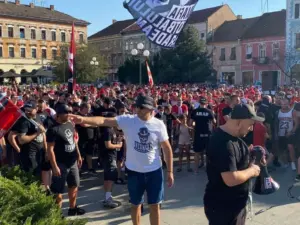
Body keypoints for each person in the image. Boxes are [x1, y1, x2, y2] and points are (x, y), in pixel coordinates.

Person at [69, 95, 174, 225]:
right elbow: (104, 121)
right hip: (134, 173)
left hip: (154, 172)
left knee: (154, 205)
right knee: (135, 205)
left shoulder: (158, 124)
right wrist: (83, 119)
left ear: (150, 109)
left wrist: (169, 171)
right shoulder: (128, 120)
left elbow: (167, 149)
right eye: (137, 106)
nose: (137, 109)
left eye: (141, 107)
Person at [204, 104, 262, 225]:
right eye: (250, 125)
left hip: (236, 204)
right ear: (240, 122)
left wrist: (250, 157)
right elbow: (231, 178)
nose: (251, 129)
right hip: (224, 207)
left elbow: (237, 162)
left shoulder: (235, 138)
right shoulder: (222, 142)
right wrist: (253, 170)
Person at [47, 104, 85, 216]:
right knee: (58, 190)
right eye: (66, 112)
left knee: (74, 185)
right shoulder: (53, 129)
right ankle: (57, 214)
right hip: (60, 163)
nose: (69, 114)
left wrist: (78, 155)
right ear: (59, 114)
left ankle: (72, 208)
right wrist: (54, 166)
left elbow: (74, 141)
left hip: (72, 161)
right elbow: (50, 149)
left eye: (70, 111)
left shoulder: (70, 124)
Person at [190, 97, 215, 174]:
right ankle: (207, 169)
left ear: (199, 103)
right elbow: (214, 122)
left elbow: (190, 123)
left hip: (198, 133)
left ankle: (196, 170)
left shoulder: (195, 111)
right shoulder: (209, 111)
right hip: (207, 133)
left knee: (197, 152)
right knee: (208, 152)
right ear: (206, 103)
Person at [277, 98, 298, 170]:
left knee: (290, 147)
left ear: (289, 103)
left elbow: (297, 123)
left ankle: (293, 163)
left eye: (285, 104)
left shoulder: (293, 111)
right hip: (281, 133)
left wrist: (291, 132)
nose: (283, 105)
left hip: (290, 133)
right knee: (282, 149)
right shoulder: (278, 112)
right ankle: (286, 162)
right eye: (282, 104)